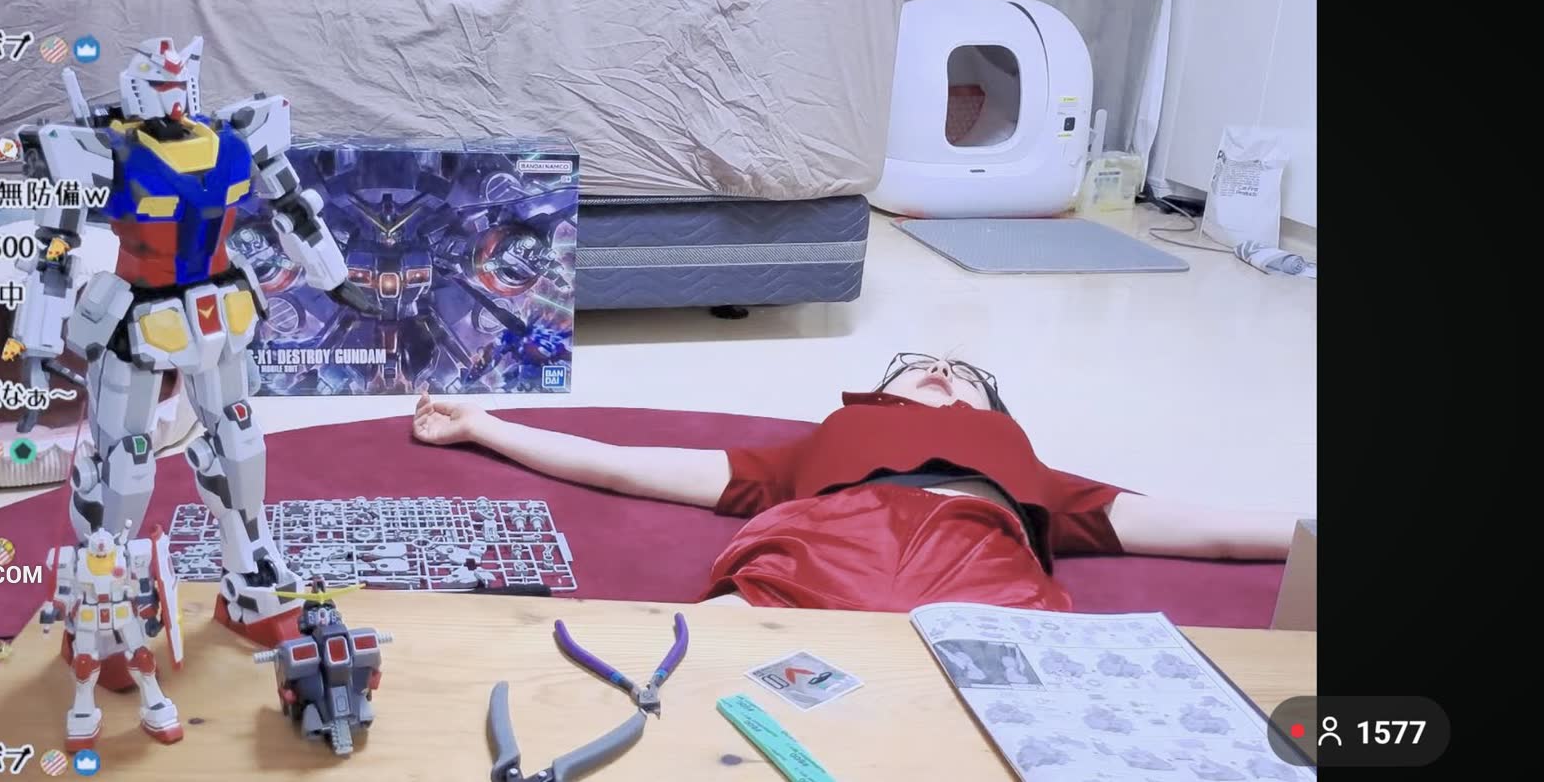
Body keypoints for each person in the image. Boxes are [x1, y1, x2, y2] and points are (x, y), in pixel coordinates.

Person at [410, 352, 1301, 613]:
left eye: (967, 375)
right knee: (693, 655)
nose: (943, 371)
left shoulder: (1030, 467)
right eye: (921, 367)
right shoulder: (817, 445)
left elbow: (1210, 527)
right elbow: (626, 466)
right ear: (878, 395)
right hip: (827, 540)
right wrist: (484, 424)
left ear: (994, 411)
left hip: (977, 554)